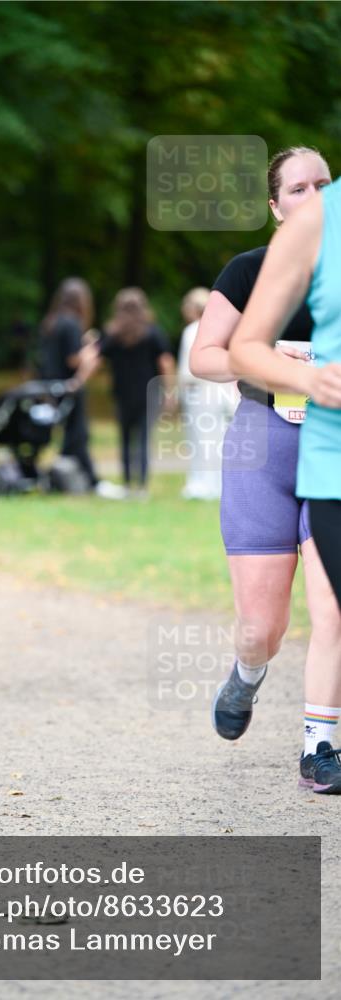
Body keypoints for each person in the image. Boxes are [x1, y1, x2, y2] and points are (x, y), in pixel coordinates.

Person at [190, 146, 340, 794]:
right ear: (275, 207)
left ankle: (319, 745)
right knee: (261, 628)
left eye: (323, 184)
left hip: (333, 447)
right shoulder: (249, 270)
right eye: (298, 188)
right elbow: (204, 356)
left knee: (333, 608)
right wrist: (270, 360)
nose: (314, 196)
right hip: (263, 446)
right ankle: (246, 674)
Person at [38, 277, 124, 500]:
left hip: (52, 386)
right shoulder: (71, 323)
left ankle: (75, 477)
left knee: (73, 436)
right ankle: (90, 480)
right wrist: (92, 349)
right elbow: (73, 359)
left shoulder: (52, 321)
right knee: (78, 434)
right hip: (70, 387)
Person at [95, 288, 176, 499]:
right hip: (148, 394)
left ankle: (127, 483)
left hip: (122, 393)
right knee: (143, 439)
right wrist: (169, 391)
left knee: (124, 439)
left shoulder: (113, 335)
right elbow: (165, 362)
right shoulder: (152, 332)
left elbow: (98, 358)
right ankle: (141, 486)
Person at [177, 287, 236, 500]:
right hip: (221, 390)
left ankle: (201, 484)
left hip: (200, 392)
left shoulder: (192, 330)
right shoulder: (223, 329)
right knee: (217, 438)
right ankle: (216, 484)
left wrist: (179, 392)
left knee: (200, 439)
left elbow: (187, 370)